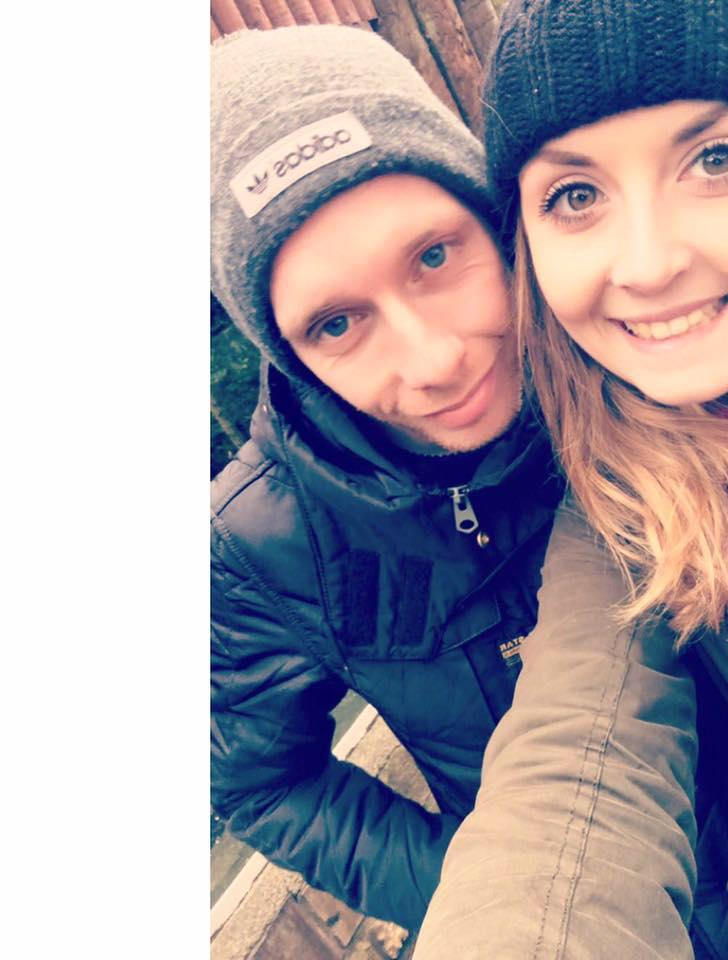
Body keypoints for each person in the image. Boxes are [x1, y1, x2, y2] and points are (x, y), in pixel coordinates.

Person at [209, 24, 567, 932]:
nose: (436, 361)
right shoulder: (262, 544)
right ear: (286, 354)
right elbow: (261, 784)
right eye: (337, 324)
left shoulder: (636, 355)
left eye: (434, 257)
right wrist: (487, 898)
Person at [414, 1, 728, 958]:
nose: (646, 264)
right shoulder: (626, 495)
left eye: (719, 159)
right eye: (574, 196)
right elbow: (575, 765)